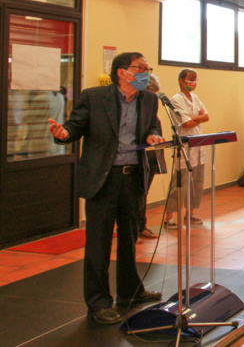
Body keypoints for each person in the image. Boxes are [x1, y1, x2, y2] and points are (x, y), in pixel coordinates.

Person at [47, 52, 163, 324]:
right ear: (122, 72)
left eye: (148, 68)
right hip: (103, 178)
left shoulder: (150, 99)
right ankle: (99, 302)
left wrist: (152, 134)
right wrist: (64, 134)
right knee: (98, 243)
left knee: (129, 238)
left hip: (133, 177)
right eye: (141, 68)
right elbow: (74, 127)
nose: (146, 72)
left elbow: (152, 125)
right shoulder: (94, 97)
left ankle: (129, 291)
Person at [163, 69, 209, 229]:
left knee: (196, 182)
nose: (193, 82)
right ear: (181, 81)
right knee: (179, 183)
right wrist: (196, 118)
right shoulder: (176, 100)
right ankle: (169, 217)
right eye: (190, 79)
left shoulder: (195, 98)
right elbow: (186, 123)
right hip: (184, 146)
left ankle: (191, 213)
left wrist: (193, 118)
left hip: (198, 145)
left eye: (195, 79)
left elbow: (206, 116)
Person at [138, 75, 164, 241]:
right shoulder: (134, 114)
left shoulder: (154, 116)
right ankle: (132, 230)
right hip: (136, 160)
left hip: (151, 159)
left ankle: (141, 226)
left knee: (144, 194)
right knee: (136, 195)